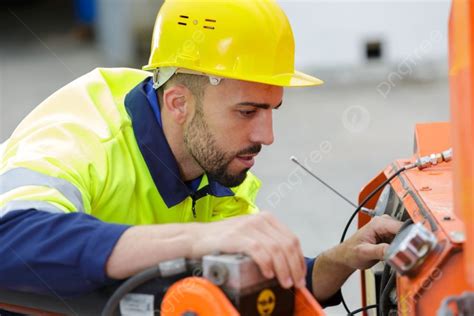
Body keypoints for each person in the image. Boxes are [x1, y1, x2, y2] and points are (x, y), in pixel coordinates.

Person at [0, 0, 402, 307]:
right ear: (178, 103)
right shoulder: (81, 135)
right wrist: (199, 237)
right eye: (247, 111)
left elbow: (250, 286)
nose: (267, 135)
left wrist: (340, 260)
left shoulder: (218, 167)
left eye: (271, 110)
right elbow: (11, 242)